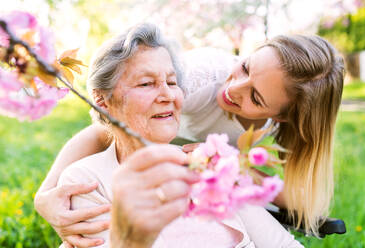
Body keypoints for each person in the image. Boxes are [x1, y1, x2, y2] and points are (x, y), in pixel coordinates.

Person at [34, 25, 344, 246]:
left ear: (280, 115)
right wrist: (46, 195)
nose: (232, 88)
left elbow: (301, 202)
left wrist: (233, 167)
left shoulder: (261, 146)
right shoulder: (200, 78)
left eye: (257, 98)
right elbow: (108, 126)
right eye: (245, 67)